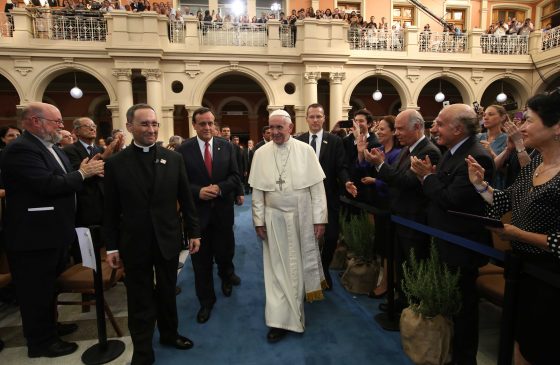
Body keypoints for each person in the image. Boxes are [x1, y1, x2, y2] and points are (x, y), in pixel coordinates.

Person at [0, 102, 104, 358]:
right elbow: (47, 184)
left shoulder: (48, 148)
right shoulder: (21, 150)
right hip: (33, 236)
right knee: (35, 292)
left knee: (49, 287)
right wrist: (83, 173)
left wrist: (82, 172)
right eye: (56, 121)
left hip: (53, 231)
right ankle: (41, 343)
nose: (61, 126)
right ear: (35, 122)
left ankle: (51, 328)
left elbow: (65, 178)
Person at [466, 91, 560, 365]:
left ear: (556, 127)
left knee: (542, 348)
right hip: (523, 271)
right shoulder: (535, 166)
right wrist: (480, 184)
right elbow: (506, 200)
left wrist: (519, 235)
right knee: (520, 341)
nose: (520, 128)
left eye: (528, 120)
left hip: (551, 279)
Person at [103, 104, 201, 365]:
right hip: (135, 243)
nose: (151, 129)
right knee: (140, 298)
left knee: (168, 291)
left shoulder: (174, 159)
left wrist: (194, 231)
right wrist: (111, 247)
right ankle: (143, 350)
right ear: (130, 127)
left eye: (155, 124)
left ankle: (170, 334)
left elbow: (186, 199)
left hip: (168, 239)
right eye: (145, 124)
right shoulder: (115, 164)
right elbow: (110, 211)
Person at [411, 103, 495, 365]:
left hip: (462, 247)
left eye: (440, 123)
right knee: (452, 304)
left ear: (458, 129)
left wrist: (427, 178)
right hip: (445, 239)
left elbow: (451, 199)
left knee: (464, 310)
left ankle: (463, 359)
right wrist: (432, 180)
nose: (434, 128)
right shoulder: (453, 151)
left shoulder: (475, 156)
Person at [249, 109, 327, 343]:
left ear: (290, 128)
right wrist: (258, 221)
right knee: (276, 270)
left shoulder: (306, 151)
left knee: (298, 267)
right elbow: (257, 193)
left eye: (279, 128)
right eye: (271, 128)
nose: (274, 132)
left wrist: (319, 218)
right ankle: (279, 320)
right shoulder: (261, 154)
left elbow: (317, 190)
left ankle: (296, 312)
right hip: (273, 219)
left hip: (301, 217)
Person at [364, 110, 440, 308]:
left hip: (414, 219)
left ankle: (412, 307)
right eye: (395, 128)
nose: (397, 133)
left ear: (416, 127)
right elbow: (395, 177)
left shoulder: (428, 151)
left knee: (414, 265)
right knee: (402, 262)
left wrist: (381, 165)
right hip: (399, 216)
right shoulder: (408, 149)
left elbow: (406, 182)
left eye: (400, 129)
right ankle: (402, 302)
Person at [176, 107, 242, 324]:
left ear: (215, 124)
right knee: (201, 263)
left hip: (223, 213)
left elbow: (235, 177)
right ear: (194, 125)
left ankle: (226, 277)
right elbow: (180, 183)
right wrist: (199, 192)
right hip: (197, 216)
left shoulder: (227, 147)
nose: (207, 127)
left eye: (210, 123)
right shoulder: (183, 150)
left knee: (225, 252)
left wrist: (220, 188)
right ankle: (206, 301)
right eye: (202, 123)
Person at [296, 103, 355, 290]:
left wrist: (346, 182)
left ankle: (323, 269)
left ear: (324, 119)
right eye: (311, 116)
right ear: (306, 119)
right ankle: (309, 273)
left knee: (330, 238)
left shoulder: (335, 141)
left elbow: (341, 167)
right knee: (306, 238)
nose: (315, 120)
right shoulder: (298, 141)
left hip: (329, 198)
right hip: (304, 199)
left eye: (318, 117)